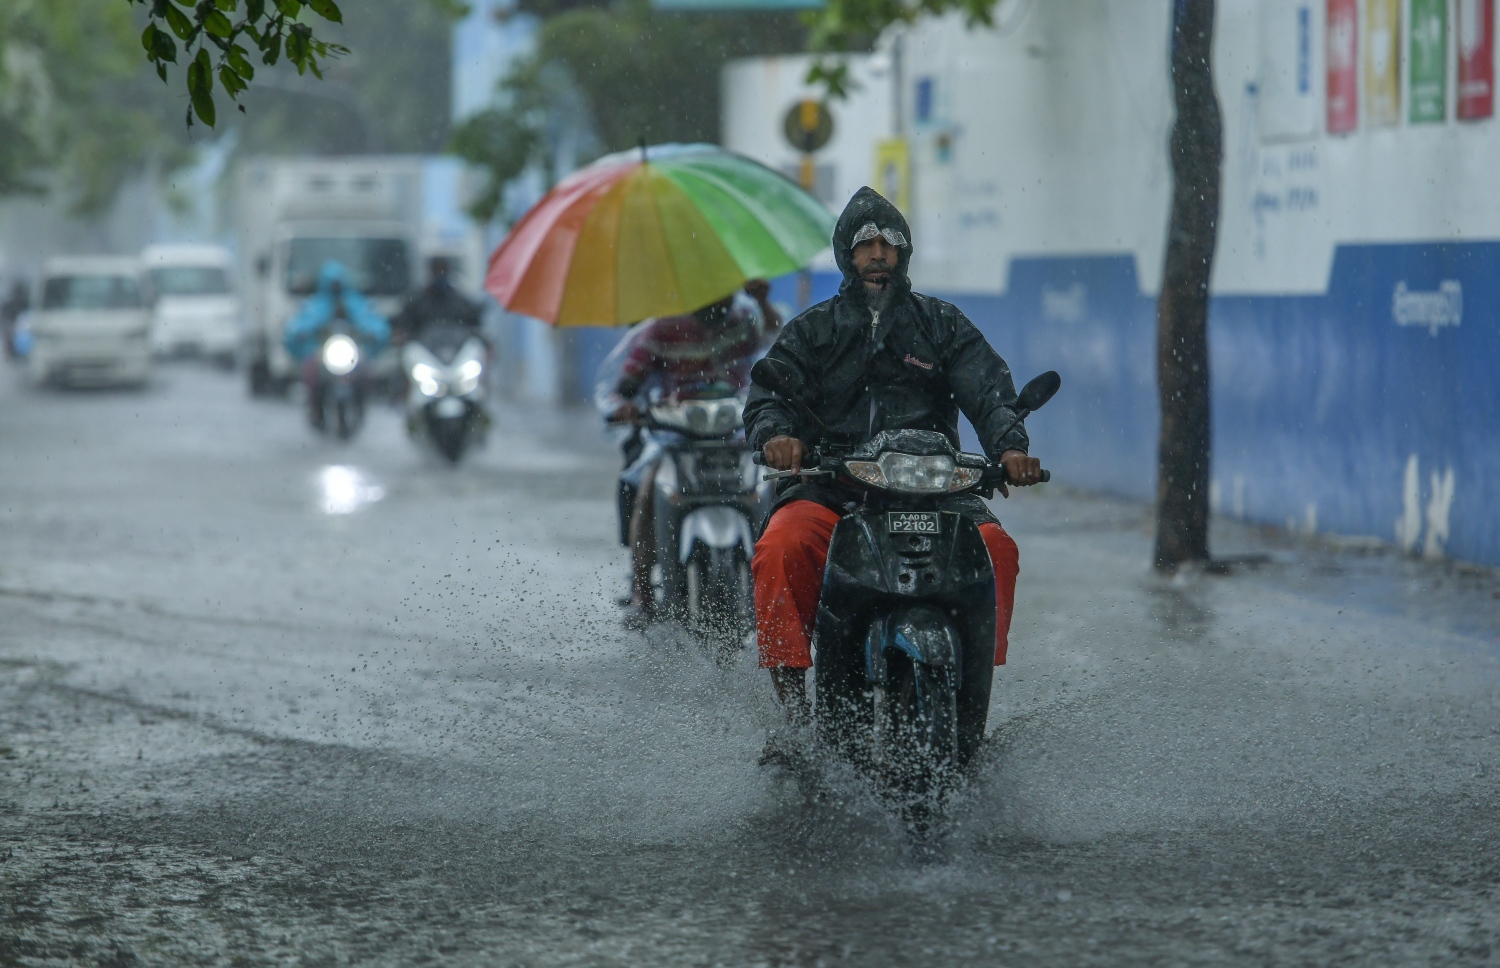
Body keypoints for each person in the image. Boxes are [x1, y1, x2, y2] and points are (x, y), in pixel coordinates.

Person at [744, 186, 1044, 722]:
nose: (878, 253)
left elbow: (989, 391)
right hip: (833, 486)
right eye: (864, 244)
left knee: (996, 548)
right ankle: (791, 716)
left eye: (889, 242)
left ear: (904, 253)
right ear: (845, 255)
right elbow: (769, 396)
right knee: (781, 547)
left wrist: (1011, 447)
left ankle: (974, 693)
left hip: (934, 489)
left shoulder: (942, 324)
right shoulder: (812, 331)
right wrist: (776, 435)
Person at [596, 290, 766, 627]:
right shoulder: (660, 330)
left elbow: (773, 360)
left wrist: (766, 302)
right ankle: (642, 591)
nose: (718, 296)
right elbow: (626, 383)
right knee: (645, 492)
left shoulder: (747, 321)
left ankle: (779, 590)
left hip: (736, 434)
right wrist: (624, 405)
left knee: (778, 490)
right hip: (676, 437)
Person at [283, 261, 390, 428]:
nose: (336, 288)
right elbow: (301, 324)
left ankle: (362, 401)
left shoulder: (355, 302)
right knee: (311, 370)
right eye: (333, 284)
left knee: (365, 370)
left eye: (338, 284)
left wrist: (373, 334)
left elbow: (371, 322)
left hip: (351, 350)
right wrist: (302, 334)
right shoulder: (316, 304)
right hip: (323, 351)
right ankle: (314, 407)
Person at [390, 257, 483, 346]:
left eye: (443, 271)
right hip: (425, 353)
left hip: (456, 352)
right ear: (431, 273)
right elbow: (404, 322)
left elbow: (473, 323)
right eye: (437, 271)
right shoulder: (418, 301)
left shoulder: (459, 302)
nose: (440, 275)